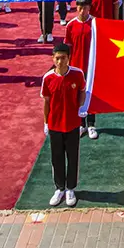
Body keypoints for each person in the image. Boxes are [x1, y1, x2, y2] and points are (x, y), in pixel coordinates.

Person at [40, 41, 85, 206]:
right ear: (53, 59)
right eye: (57, 58)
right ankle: (59, 188)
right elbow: (46, 102)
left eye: (64, 58)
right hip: (54, 125)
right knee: (56, 158)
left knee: (72, 157)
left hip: (72, 124)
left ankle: (71, 188)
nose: (60, 62)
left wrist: (80, 109)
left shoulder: (77, 74)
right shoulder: (48, 78)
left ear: (69, 58)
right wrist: (46, 122)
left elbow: (82, 92)